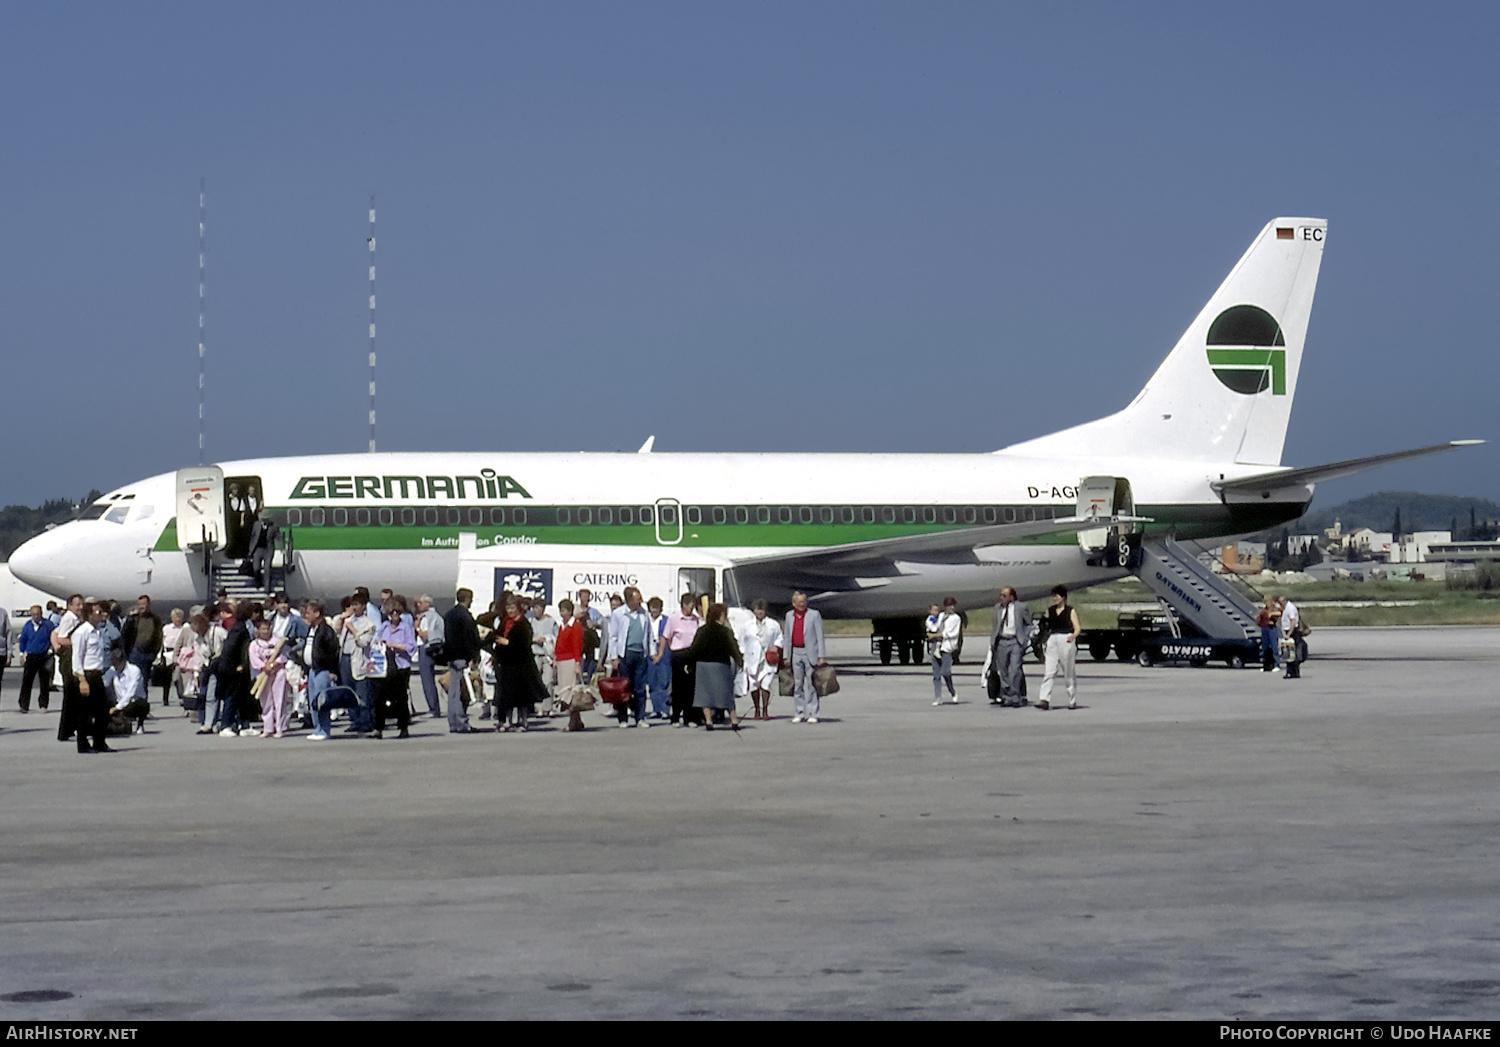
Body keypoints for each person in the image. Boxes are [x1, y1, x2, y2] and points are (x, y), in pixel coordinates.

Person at [487, 596, 546, 732]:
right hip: (506, 664)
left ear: (518, 609)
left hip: (521, 665)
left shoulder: (524, 623)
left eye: (513, 608)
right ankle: (505, 721)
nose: (510, 611)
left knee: (521, 696)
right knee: (505, 695)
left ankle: (522, 721)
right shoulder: (504, 622)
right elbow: (495, 635)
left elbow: (525, 644)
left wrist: (508, 643)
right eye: (508, 608)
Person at [686, 602, 744, 730]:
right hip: (721, 666)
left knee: (705, 695)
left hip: (703, 666)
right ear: (721, 615)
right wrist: (739, 661)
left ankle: (708, 721)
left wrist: (689, 663)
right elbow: (733, 648)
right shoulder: (726, 631)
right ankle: (734, 720)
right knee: (726, 694)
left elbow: (694, 649)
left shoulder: (701, 631)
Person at [606, 586, 653, 728]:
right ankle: (623, 718)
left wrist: (652, 652)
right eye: (637, 600)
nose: (640, 603)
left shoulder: (644, 614)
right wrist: (614, 657)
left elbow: (649, 634)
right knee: (624, 687)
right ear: (629, 600)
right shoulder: (619, 614)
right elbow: (613, 636)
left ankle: (640, 718)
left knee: (640, 688)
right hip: (625, 655)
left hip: (640, 654)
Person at [70, 601, 113, 753]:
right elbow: (77, 657)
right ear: (89, 615)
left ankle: (99, 742)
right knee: (84, 713)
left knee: (103, 711)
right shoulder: (82, 632)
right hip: (86, 675)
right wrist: (82, 680)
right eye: (97, 612)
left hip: (97, 674)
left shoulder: (97, 631)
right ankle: (82, 744)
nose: (101, 615)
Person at [297, 600, 342, 741]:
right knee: (313, 702)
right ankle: (317, 728)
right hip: (312, 669)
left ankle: (324, 729)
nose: (306, 616)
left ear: (317, 614)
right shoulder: (312, 629)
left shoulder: (326, 631)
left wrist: (332, 671)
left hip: (323, 670)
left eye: (309, 613)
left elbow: (333, 652)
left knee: (322, 701)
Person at [373, 595, 415, 738]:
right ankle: (379, 727)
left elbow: (411, 647)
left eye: (397, 613)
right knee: (380, 697)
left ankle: (403, 727)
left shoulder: (405, 628)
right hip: (385, 666)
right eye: (391, 613)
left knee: (401, 697)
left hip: (401, 666)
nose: (394, 616)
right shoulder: (384, 627)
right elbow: (377, 641)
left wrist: (395, 646)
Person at [781, 591, 827, 723]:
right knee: (798, 684)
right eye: (799, 602)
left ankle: (813, 713)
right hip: (796, 652)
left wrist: (821, 655)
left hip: (810, 652)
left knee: (812, 684)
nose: (802, 604)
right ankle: (799, 712)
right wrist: (786, 655)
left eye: (804, 601)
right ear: (794, 603)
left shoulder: (814, 614)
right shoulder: (789, 616)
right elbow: (787, 637)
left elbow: (820, 636)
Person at [660, 592, 703, 727]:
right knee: (678, 687)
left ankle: (689, 717)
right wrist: (667, 651)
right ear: (684, 605)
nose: (692, 609)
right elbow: (666, 636)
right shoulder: (674, 618)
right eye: (690, 606)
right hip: (678, 653)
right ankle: (675, 717)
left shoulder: (696, 620)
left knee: (691, 687)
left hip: (692, 654)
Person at [1037, 585, 1081, 711]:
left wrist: (1073, 636)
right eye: (1053, 596)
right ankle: (1044, 699)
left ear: (1063, 597)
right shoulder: (1050, 610)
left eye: (1056, 596)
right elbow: (1046, 625)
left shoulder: (1070, 610)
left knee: (1068, 672)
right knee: (1049, 670)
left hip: (1066, 638)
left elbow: (1077, 627)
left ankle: (1072, 699)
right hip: (1053, 639)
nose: (1054, 598)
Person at [443, 588, 481, 733]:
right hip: (461, 656)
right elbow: (470, 638)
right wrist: (473, 656)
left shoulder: (449, 615)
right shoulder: (465, 616)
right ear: (468, 598)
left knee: (453, 691)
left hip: (451, 656)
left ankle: (453, 722)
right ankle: (461, 723)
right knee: (460, 691)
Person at [989, 587, 1034, 708]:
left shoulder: (1020, 607)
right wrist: (993, 641)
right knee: (1003, 671)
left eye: (1004, 595)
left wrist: (1024, 639)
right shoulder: (998, 608)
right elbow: (995, 625)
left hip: (1015, 641)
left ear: (1011, 597)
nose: (1001, 598)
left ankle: (1015, 695)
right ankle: (1006, 695)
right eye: (1001, 595)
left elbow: (1029, 624)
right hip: (1002, 641)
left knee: (1015, 669)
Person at [52, 594, 86, 743]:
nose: (80, 607)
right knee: (70, 696)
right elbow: (61, 638)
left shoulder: (75, 618)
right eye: (77, 604)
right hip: (68, 660)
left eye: (81, 604)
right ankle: (65, 730)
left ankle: (70, 728)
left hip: (72, 659)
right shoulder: (69, 618)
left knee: (74, 697)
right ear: (70, 606)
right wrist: (78, 643)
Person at [249, 618, 289, 737]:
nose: (266, 631)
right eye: (263, 629)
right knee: (266, 701)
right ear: (258, 630)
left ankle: (280, 727)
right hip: (263, 674)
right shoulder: (254, 644)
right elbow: (254, 659)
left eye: (268, 628)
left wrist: (274, 664)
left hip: (278, 671)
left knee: (279, 699)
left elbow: (284, 655)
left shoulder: (277, 642)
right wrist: (263, 666)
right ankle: (268, 727)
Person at [748, 600, 782, 721]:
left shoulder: (773, 624)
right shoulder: (748, 625)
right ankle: (757, 709)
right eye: (758, 609)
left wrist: (776, 647)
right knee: (754, 685)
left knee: (766, 685)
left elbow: (779, 637)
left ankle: (765, 710)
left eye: (762, 609)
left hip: (768, 658)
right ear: (754, 611)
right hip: (753, 658)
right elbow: (742, 641)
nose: (760, 612)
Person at [18, 605, 55, 713]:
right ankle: (23, 705)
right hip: (31, 655)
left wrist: (51, 648)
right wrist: (21, 654)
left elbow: (53, 636)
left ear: (41, 613)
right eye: (33, 614)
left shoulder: (48, 624)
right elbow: (23, 640)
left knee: (44, 682)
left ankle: (43, 705)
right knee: (27, 681)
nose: (35, 616)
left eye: (37, 614)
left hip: (44, 656)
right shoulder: (28, 625)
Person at [104, 646, 150, 733]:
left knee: (143, 705)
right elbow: (105, 682)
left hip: (133, 702)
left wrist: (117, 708)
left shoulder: (134, 671)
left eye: (115, 662)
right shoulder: (112, 670)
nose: (113, 664)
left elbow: (131, 693)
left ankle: (139, 725)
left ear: (121, 661)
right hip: (119, 701)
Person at [414, 594, 446, 718]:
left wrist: (417, 629)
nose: (419, 605)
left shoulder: (429, 617)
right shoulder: (431, 616)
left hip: (426, 649)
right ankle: (433, 707)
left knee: (427, 679)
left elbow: (427, 635)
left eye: (421, 603)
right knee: (427, 679)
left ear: (427, 603)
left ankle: (433, 708)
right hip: (426, 648)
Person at [929, 596, 962, 706]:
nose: (952, 607)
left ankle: (952, 692)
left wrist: (936, 635)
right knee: (936, 674)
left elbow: (951, 633)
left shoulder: (956, 618)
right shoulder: (942, 616)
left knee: (946, 672)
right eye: (950, 606)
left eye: (953, 605)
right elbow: (937, 626)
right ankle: (938, 697)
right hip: (937, 646)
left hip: (947, 648)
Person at [645, 596, 672, 720]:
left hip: (664, 653)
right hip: (650, 653)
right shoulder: (646, 620)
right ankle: (656, 709)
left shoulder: (666, 620)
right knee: (652, 683)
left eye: (656, 608)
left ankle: (665, 709)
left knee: (663, 682)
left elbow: (667, 636)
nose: (654, 610)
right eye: (652, 608)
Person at [1279, 596, 1304, 680]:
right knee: (1288, 653)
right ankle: (1291, 672)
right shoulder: (1286, 608)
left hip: (1292, 632)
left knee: (1291, 653)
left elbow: (1293, 621)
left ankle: (1293, 672)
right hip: (1288, 631)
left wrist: (1289, 633)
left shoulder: (1290, 608)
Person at [1257, 595, 1281, 673]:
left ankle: (1277, 664)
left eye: (1267, 601)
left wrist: (1271, 614)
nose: (1266, 603)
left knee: (1274, 647)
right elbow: (1259, 619)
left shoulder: (1274, 608)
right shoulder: (1264, 610)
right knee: (1265, 648)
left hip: (1271, 628)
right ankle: (1267, 665)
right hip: (1264, 628)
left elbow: (1279, 613)